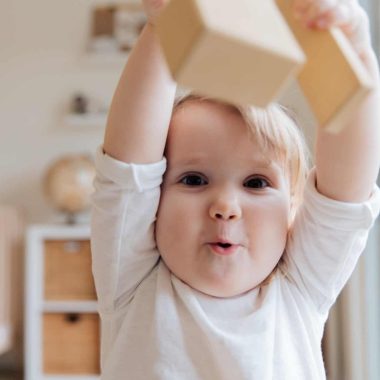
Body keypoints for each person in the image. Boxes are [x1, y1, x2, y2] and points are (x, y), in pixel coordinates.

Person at [90, 0, 380, 378]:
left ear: (292, 211)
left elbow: (345, 193)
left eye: (256, 184)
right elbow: (128, 171)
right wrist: (166, 27)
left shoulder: (299, 286)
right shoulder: (133, 278)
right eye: (194, 180)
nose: (225, 206)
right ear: (153, 204)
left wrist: (355, 57)